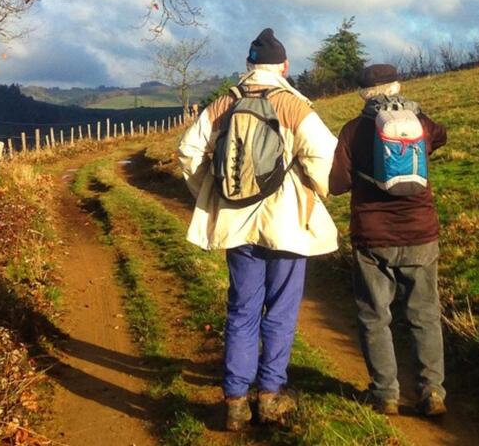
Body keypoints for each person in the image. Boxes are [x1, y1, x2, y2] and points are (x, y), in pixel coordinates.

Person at [178, 27, 339, 431]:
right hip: (286, 224)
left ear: (249, 66)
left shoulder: (223, 104)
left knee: (242, 311)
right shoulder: (294, 106)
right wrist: (318, 188)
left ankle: (234, 402)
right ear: (284, 66)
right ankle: (269, 397)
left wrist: (210, 193)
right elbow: (324, 156)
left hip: (236, 224)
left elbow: (188, 151)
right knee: (281, 312)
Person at [329, 63, 449, 417]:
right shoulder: (421, 124)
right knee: (425, 315)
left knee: (374, 316)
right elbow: (441, 137)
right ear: (398, 86)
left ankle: (385, 395)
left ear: (362, 94)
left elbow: (337, 185)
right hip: (420, 232)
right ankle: (432, 394)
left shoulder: (353, 131)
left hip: (372, 236)